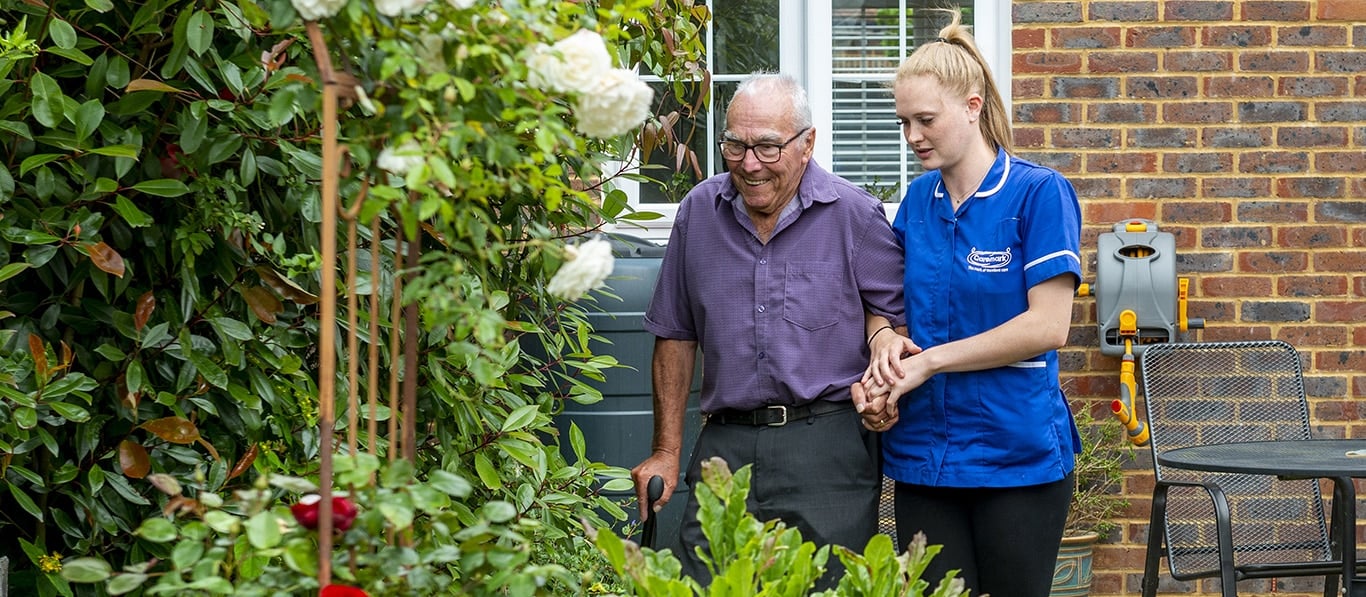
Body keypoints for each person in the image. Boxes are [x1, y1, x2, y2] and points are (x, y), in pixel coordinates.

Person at [630, 72, 907, 588]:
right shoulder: (698, 213)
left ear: (807, 145)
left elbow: (896, 325)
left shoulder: (855, 217)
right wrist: (667, 452)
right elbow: (674, 334)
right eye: (735, 145)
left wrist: (883, 388)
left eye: (767, 147)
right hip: (725, 446)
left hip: (829, 449)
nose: (749, 164)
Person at [853, 11, 1084, 597]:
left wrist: (929, 361)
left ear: (973, 106)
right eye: (903, 121)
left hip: (1017, 456)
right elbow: (886, 300)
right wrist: (884, 344)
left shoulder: (1038, 194)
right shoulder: (917, 200)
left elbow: (1048, 326)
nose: (912, 137)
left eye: (925, 119)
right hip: (925, 456)